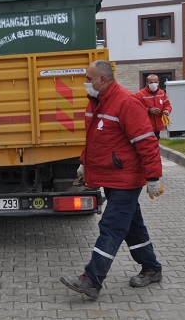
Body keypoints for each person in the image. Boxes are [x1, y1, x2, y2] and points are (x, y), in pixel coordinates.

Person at [60, 60, 165, 300]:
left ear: (102, 80)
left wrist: (153, 177)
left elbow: (146, 141)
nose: (86, 83)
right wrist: (84, 163)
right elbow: (97, 140)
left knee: (111, 227)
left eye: (89, 78)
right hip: (113, 176)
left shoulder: (126, 102)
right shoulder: (98, 101)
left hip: (126, 179)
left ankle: (91, 280)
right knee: (132, 227)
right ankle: (151, 268)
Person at [135, 74, 172, 140]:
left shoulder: (162, 93)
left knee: (156, 144)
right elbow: (136, 110)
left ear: (158, 82)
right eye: (151, 82)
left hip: (158, 126)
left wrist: (166, 110)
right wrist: (149, 110)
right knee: (148, 145)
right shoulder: (140, 94)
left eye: (155, 82)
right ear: (146, 83)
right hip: (145, 127)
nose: (153, 84)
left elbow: (168, 105)